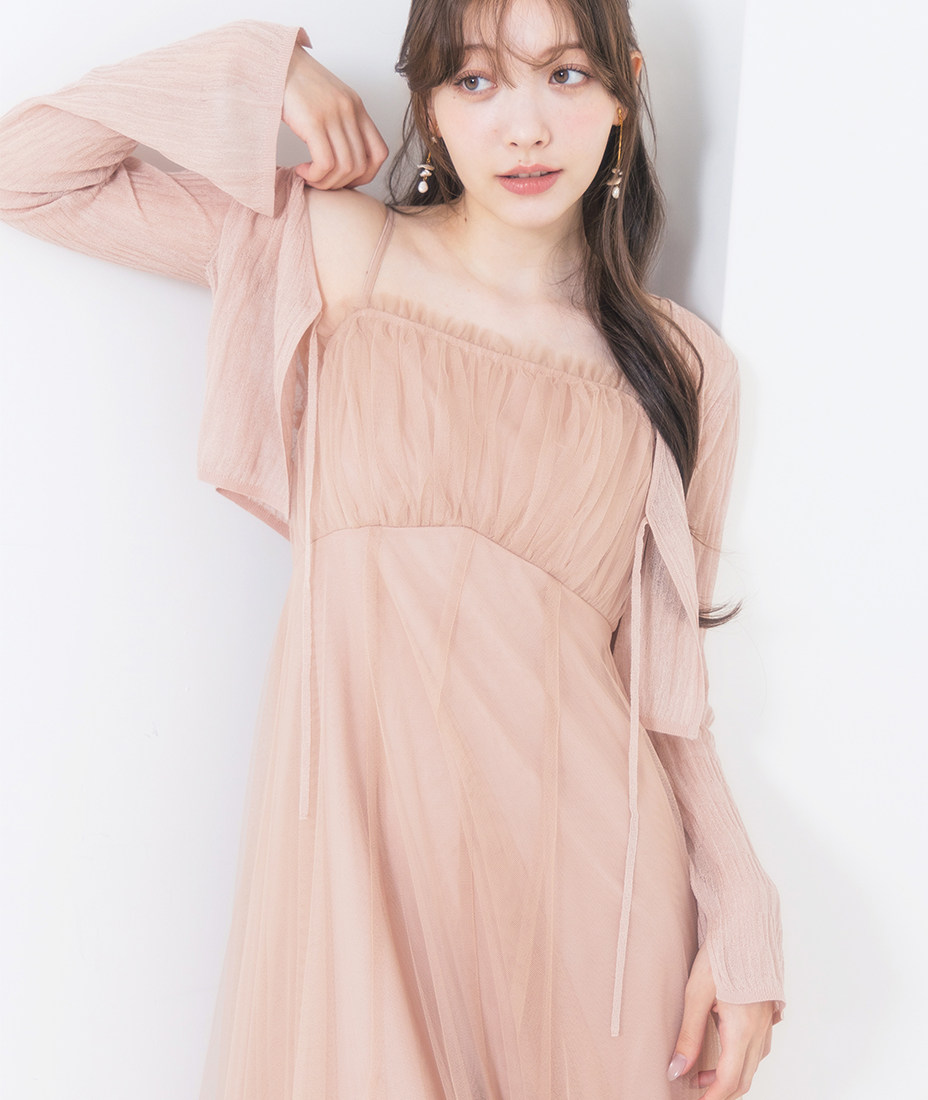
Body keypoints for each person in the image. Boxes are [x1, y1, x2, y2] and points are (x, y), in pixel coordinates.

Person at [0, 1, 786, 1096]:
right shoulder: (337, 252)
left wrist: (740, 902)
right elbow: (29, 171)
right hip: (360, 880)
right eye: (476, 81)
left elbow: (664, 681)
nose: (524, 126)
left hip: (590, 908)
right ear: (426, 102)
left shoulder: (681, 365)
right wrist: (261, 69)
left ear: (624, 90)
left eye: (565, 75)